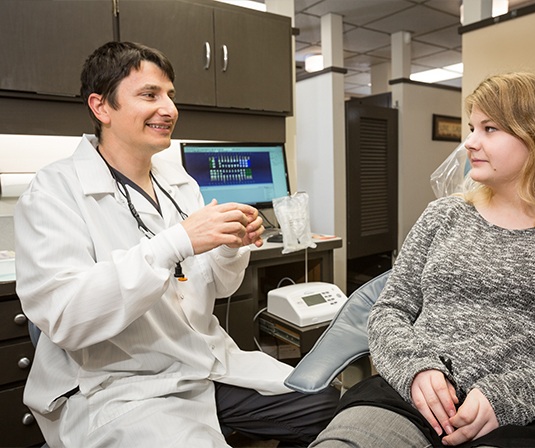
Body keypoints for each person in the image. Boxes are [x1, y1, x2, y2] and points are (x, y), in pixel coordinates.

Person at [15, 41, 338, 448]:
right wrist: (178, 241)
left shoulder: (180, 183)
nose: (169, 109)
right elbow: (67, 316)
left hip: (205, 364)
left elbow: (218, 288)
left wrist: (228, 247)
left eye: (171, 95)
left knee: (328, 403)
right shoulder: (54, 191)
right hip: (121, 384)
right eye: (150, 95)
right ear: (101, 107)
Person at [309, 72, 535, 447]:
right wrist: (415, 368)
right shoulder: (444, 216)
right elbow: (389, 310)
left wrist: (511, 395)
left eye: (489, 129)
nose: (469, 142)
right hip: (413, 402)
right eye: (471, 127)